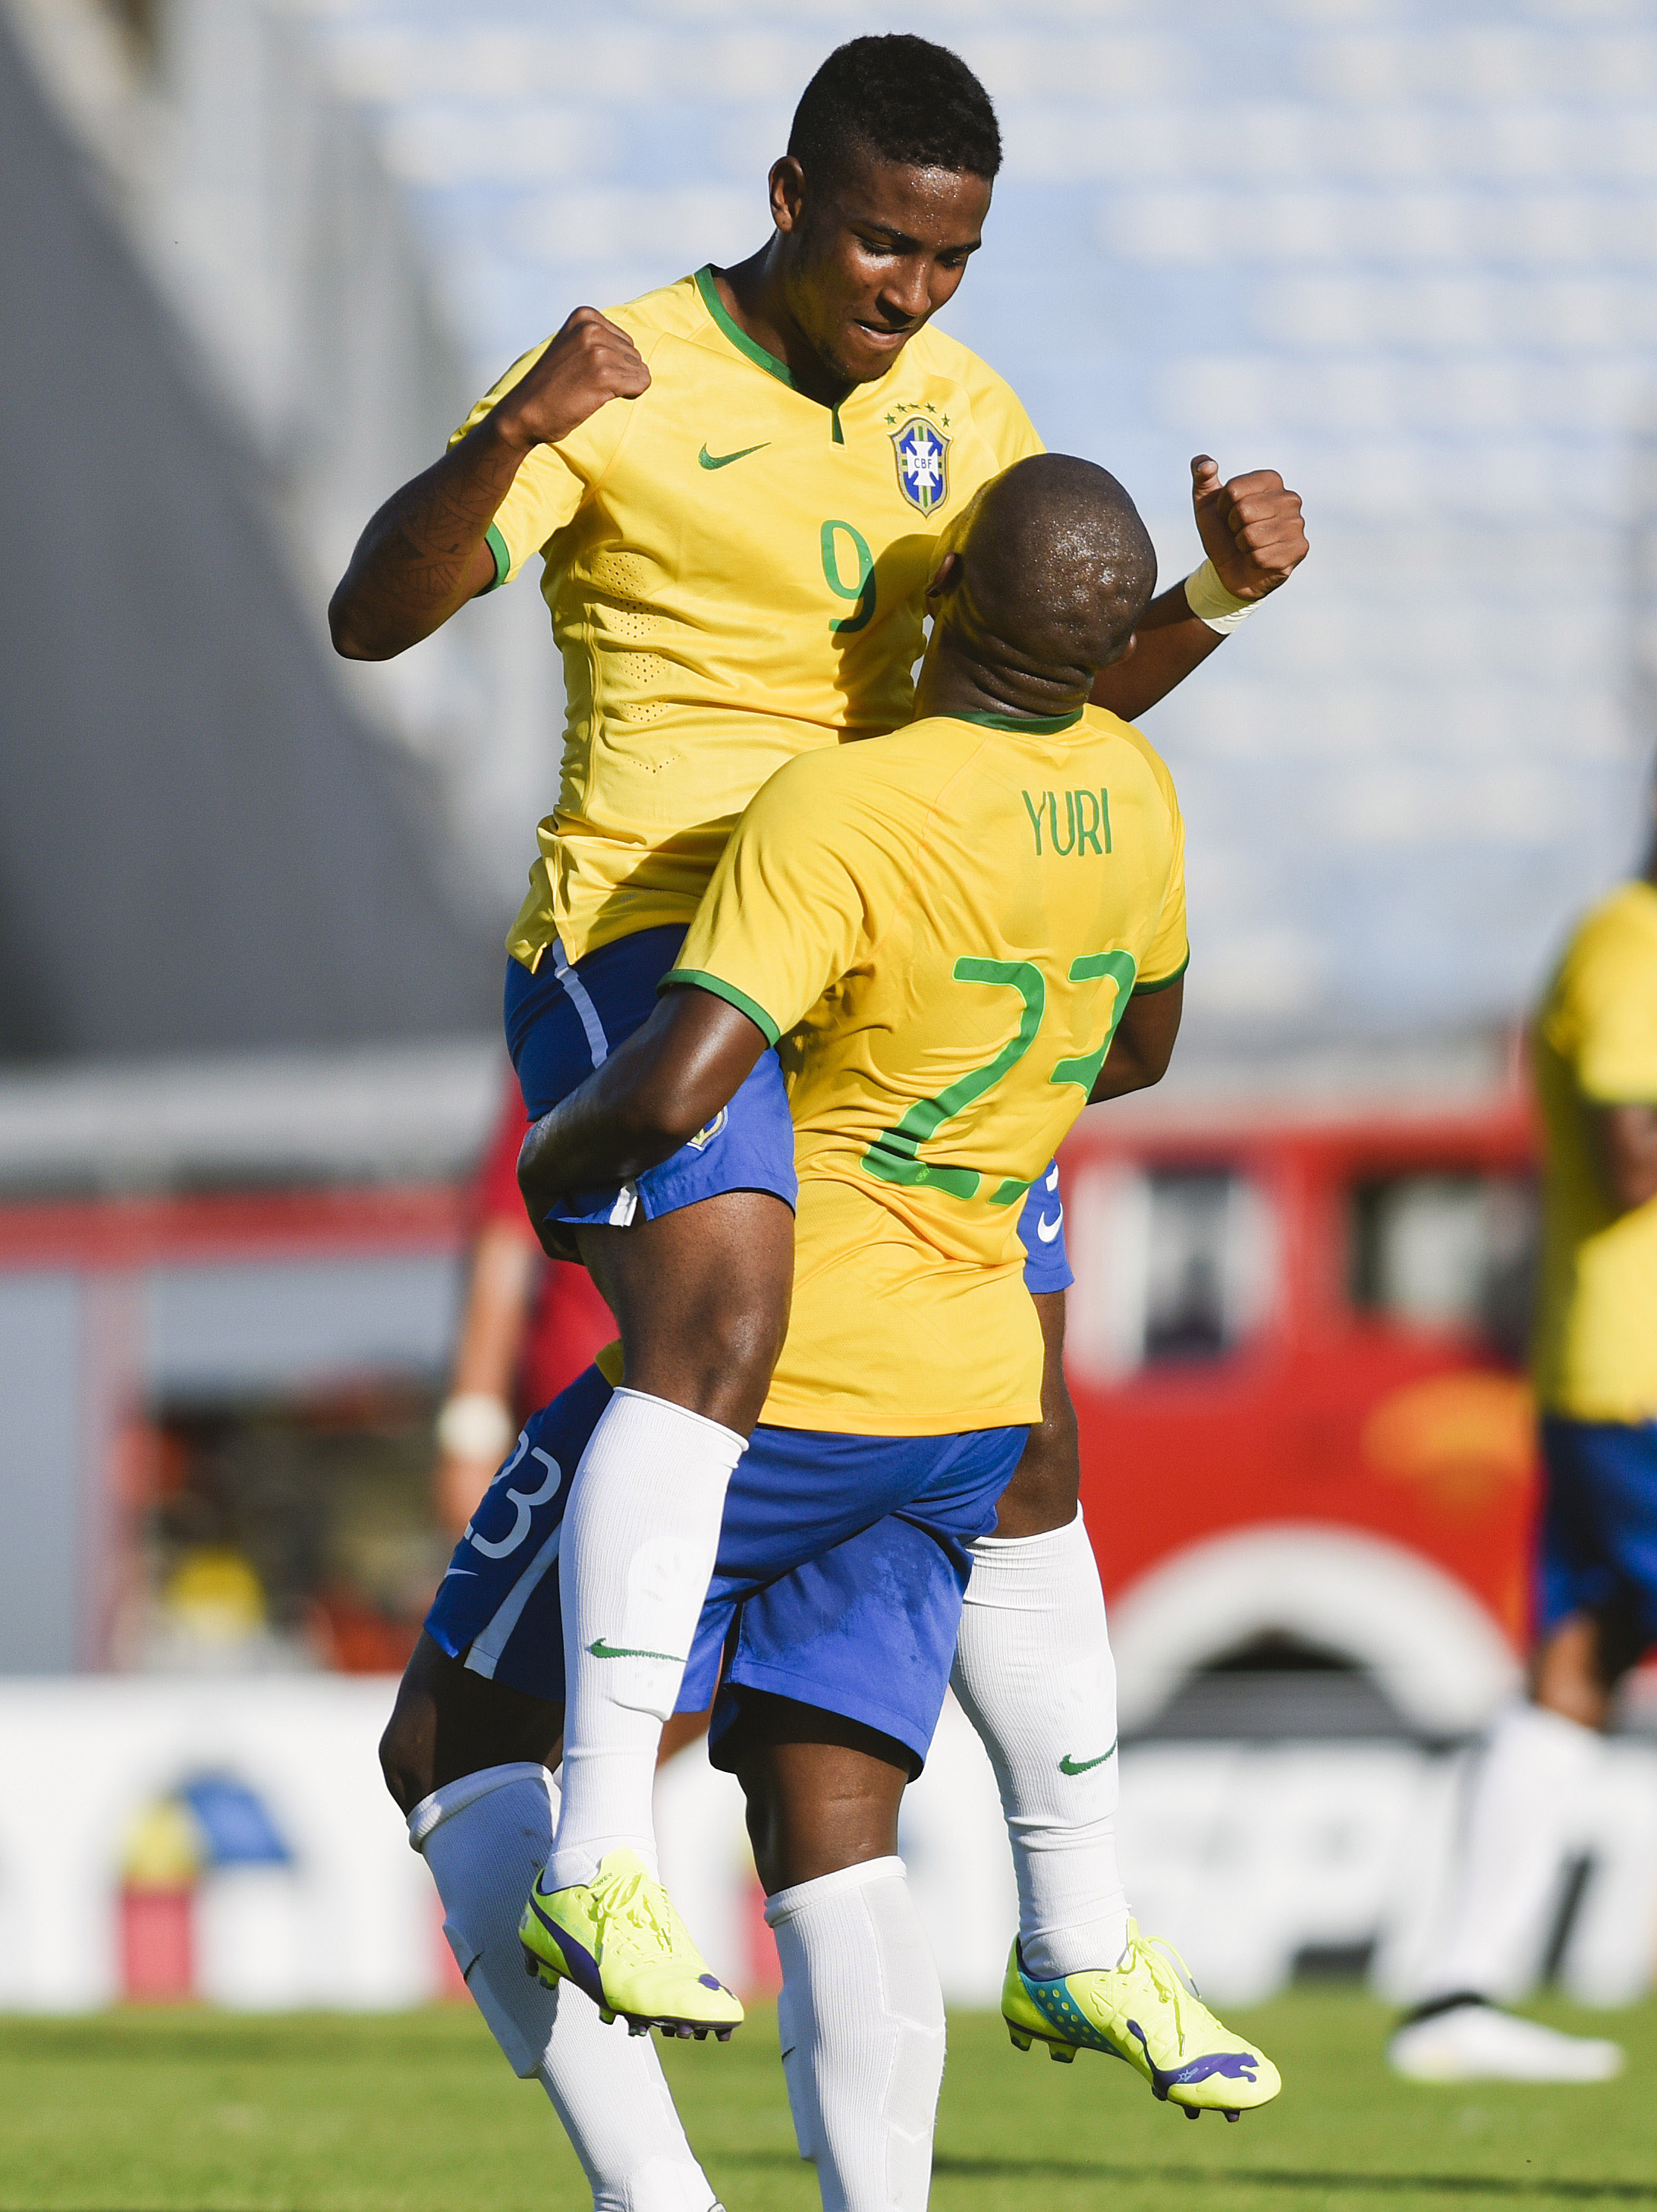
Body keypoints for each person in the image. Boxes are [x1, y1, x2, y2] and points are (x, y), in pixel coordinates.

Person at [335, 19, 1303, 2075]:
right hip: (652, 934)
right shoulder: (626, 374)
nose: (912, 297)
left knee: (1021, 1414)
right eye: (881, 249)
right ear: (789, 202)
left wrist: (1209, 590)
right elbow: (373, 613)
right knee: (723, 1313)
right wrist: (515, 430)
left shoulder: (962, 405)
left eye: (949, 261)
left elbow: (1053, 674)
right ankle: (605, 1842)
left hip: (880, 951)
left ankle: (1081, 1922)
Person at [385, 456, 1279, 2212]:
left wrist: (552, 1149)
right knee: (831, 1818)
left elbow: (686, 1084)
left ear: (941, 612)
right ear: (1109, 635)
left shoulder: (839, 805)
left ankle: (659, 2184)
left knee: (448, 1741)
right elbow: (1146, 1045)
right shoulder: (1139, 789)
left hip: (777, 1373)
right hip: (966, 1402)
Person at [1387, 787, 1657, 2084]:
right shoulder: (1633, 942)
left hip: (1609, 1371)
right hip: (1638, 1376)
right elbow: (1628, 1154)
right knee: (1579, 1653)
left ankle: (1454, 1996)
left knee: (1579, 1656)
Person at [433, 1079, 618, 1537]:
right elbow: (507, 1241)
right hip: (574, 1442)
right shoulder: (586, 1021)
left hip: (706, 1433)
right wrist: (471, 1442)